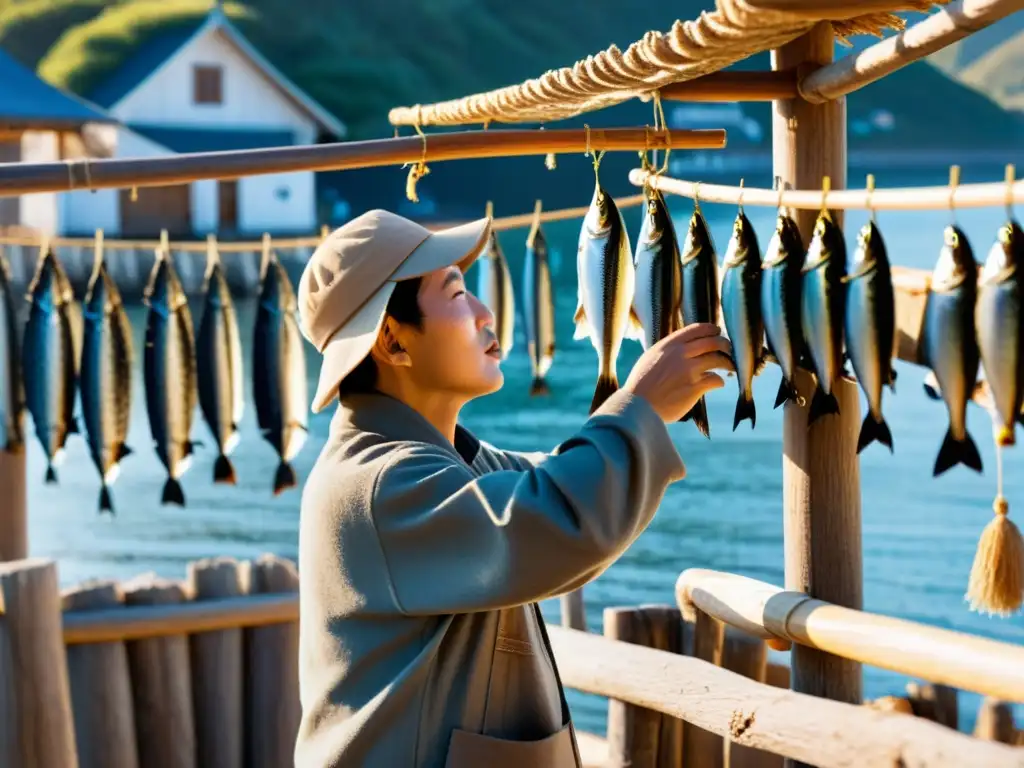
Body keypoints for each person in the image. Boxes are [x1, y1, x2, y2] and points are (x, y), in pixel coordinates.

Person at [294, 209, 734, 768]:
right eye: (456, 295)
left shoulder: (446, 463)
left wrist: (649, 406)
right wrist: (639, 406)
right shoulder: (376, 485)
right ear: (392, 341)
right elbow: (551, 522)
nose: (484, 312)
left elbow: (550, 481)